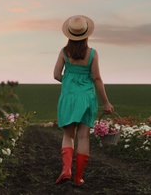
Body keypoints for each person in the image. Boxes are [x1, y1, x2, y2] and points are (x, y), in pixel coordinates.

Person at [53, 15, 114, 185]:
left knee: (67, 135)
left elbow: (56, 75)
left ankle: (66, 170)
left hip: (68, 98)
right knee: (83, 137)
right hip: (87, 98)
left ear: (69, 34)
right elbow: (96, 78)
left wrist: (69, 81)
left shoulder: (64, 52)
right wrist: (106, 102)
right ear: (86, 34)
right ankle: (78, 177)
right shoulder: (92, 54)